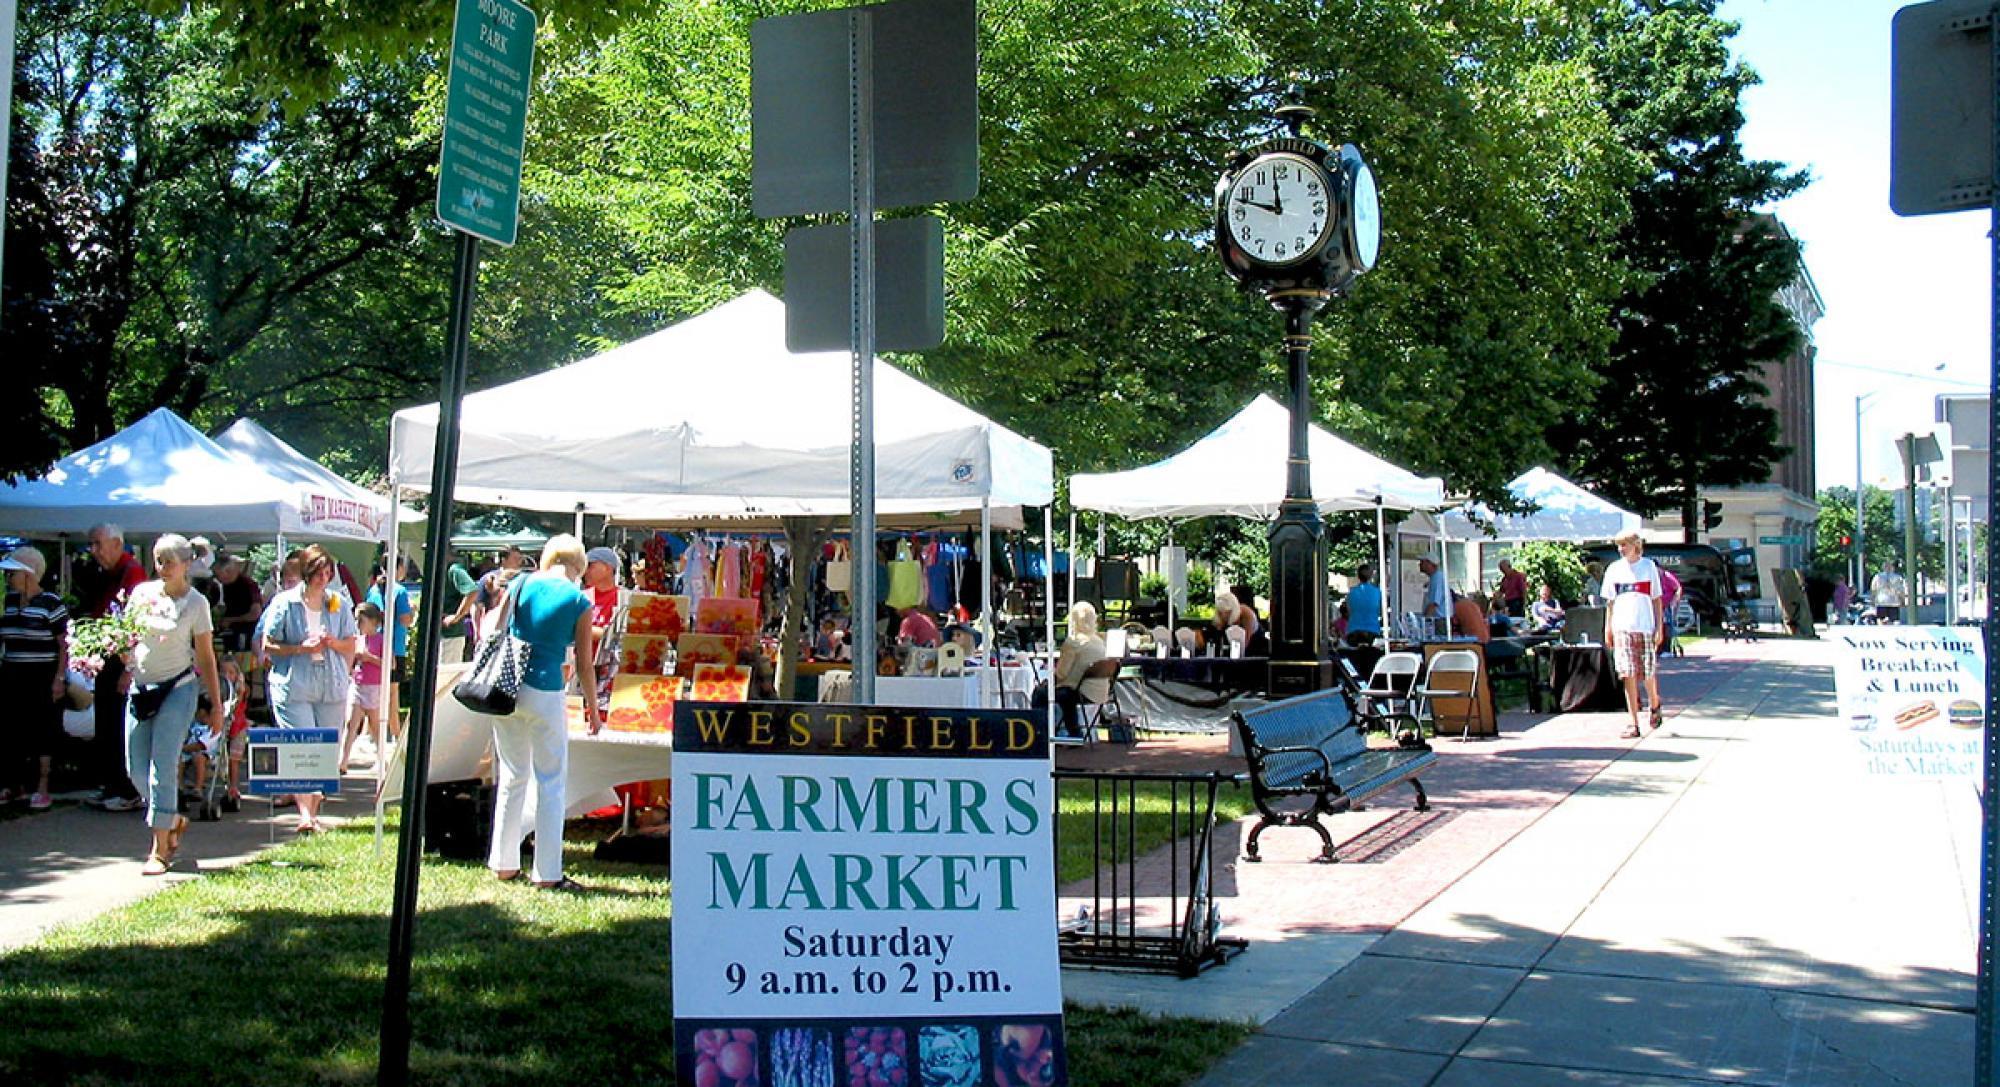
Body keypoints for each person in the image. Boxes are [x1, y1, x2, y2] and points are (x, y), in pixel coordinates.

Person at [488, 535, 598, 890]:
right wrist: (593, 709)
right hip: (546, 689)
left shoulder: (519, 582)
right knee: (551, 782)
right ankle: (548, 872)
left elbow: (494, 630)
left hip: (507, 687)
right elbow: (584, 664)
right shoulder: (578, 600)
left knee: (512, 775)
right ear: (578, 567)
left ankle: (503, 862)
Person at [124, 535, 226, 875]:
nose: (162, 568)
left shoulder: (196, 603)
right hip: (142, 688)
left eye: (169, 561)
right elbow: (126, 636)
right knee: (136, 769)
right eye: (158, 561)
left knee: (162, 765)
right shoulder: (141, 595)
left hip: (179, 689)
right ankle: (172, 819)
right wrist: (121, 657)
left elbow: (206, 657)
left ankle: (159, 849)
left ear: (186, 564)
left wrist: (216, 704)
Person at [260, 544, 358, 833]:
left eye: (328, 572)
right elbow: (268, 645)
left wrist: (331, 643)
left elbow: (351, 642)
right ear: (306, 572)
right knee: (302, 746)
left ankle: (313, 811)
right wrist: (300, 648)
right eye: (317, 572)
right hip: (294, 683)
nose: (323, 578)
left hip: (331, 682)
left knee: (325, 748)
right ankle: (306, 816)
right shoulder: (285, 603)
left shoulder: (337, 603)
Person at [76, 523, 147, 811]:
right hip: (107, 659)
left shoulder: (133, 574)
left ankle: (126, 789)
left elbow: (138, 624)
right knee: (105, 724)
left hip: (122, 661)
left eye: (97, 544)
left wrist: (129, 669)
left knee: (119, 726)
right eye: (91, 544)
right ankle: (110, 785)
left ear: (117, 544)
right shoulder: (107, 573)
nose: (93, 551)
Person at [0, 548, 69, 811]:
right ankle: (13, 784)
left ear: (28, 573)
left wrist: (59, 678)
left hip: (42, 675)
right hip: (12, 672)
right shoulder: (9, 601)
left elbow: (64, 643)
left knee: (43, 730)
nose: (8, 577)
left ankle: (42, 786)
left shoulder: (51, 603)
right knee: (11, 729)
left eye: (13, 572)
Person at [1601, 531, 1665, 739]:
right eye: (1619, 546)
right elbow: (1610, 602)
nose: (1621, 549)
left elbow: (1656, 599)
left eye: (1624, 545)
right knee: (1627, 672)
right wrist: (1608, 627)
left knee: (1647, 672)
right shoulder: (1613, 569)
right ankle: (1633, 722)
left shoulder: (1648, 567)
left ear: (1635, 545)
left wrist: (1659, 627)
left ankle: (1654, 702)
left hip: (1644, 625)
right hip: (1622, 626)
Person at [364, 563, 414, 738]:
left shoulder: (373, 590)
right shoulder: (399, 590)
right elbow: (405, 619)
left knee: (371, 693)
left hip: (373, 645)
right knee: (393, 693)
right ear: (398, 567)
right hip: (394, 646)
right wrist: (412, 612)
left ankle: (371, 734)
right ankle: (396, 735)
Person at [342, 603, 387, 776]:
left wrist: (370, 658)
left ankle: (381, 758)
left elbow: (390, 664)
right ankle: (343, 760)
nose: (358, 624)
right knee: (351, 723)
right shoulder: (358, 639)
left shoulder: (381, 640)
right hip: (358, 683)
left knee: (375, 725)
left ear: (373, 621)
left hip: (374, 686)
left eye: (361, 620)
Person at [1052, 601, 1109, 735]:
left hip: (1080, 692)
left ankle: (1046, 734)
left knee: (1041, 695)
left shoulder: (1073, 642)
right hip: (1102, 693)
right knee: (1064, 695)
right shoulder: (1100, 641)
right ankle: (1069, 732)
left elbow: (1061, 673)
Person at [436, 549, 482, 663]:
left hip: (450, 636)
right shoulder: (442, 570)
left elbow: (472, 591)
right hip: (440, 634)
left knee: (446, 676)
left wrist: (457, 616)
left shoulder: (455, 570)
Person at [1209, 590, 1259, 654]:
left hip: (1254, 647)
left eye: (1226, 612)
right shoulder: (1221, 615)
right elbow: (1217, 637)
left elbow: (1243, 646)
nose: (1224, 615)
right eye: (1221, 612)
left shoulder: (1247, 615)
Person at [1345, 565, 1384, 646]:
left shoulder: (1351, 593)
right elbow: (1380, 611)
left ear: (1358, 576)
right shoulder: (1377, 592)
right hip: (1372, 631)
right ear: (1370, 576)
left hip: (1354, 630)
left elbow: (1349, 612)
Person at [1420, 557, 1450, 622]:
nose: (1419, 564)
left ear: (1429, 564)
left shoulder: (1437, 578)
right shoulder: (1434, 577)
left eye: (1422, 562)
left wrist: (1425, 621)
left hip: (1439, 620)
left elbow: (1434, 603)